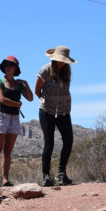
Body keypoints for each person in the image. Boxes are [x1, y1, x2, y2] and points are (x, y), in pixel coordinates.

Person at [34, 46, 77, 187]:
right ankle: (46, 175)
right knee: (49, 142)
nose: (62, 62)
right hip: (47, 110)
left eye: (64, 60)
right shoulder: (45, 70)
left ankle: (61, 172)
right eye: (60, 59)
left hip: (64, 110)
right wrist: (47, 100)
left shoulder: (67, 72)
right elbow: (37, 90)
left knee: (68, 140)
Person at [0, 55, 33, 187]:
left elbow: (30, 98)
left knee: (8, 150)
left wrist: (25, 84)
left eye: (11, 65)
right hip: (1, 116)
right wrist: (17, 104)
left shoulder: (18, 85)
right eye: (6, 64)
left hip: (14, 118)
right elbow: (2, 99)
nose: (8, 66)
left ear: (15, 68)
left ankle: (5, 179)